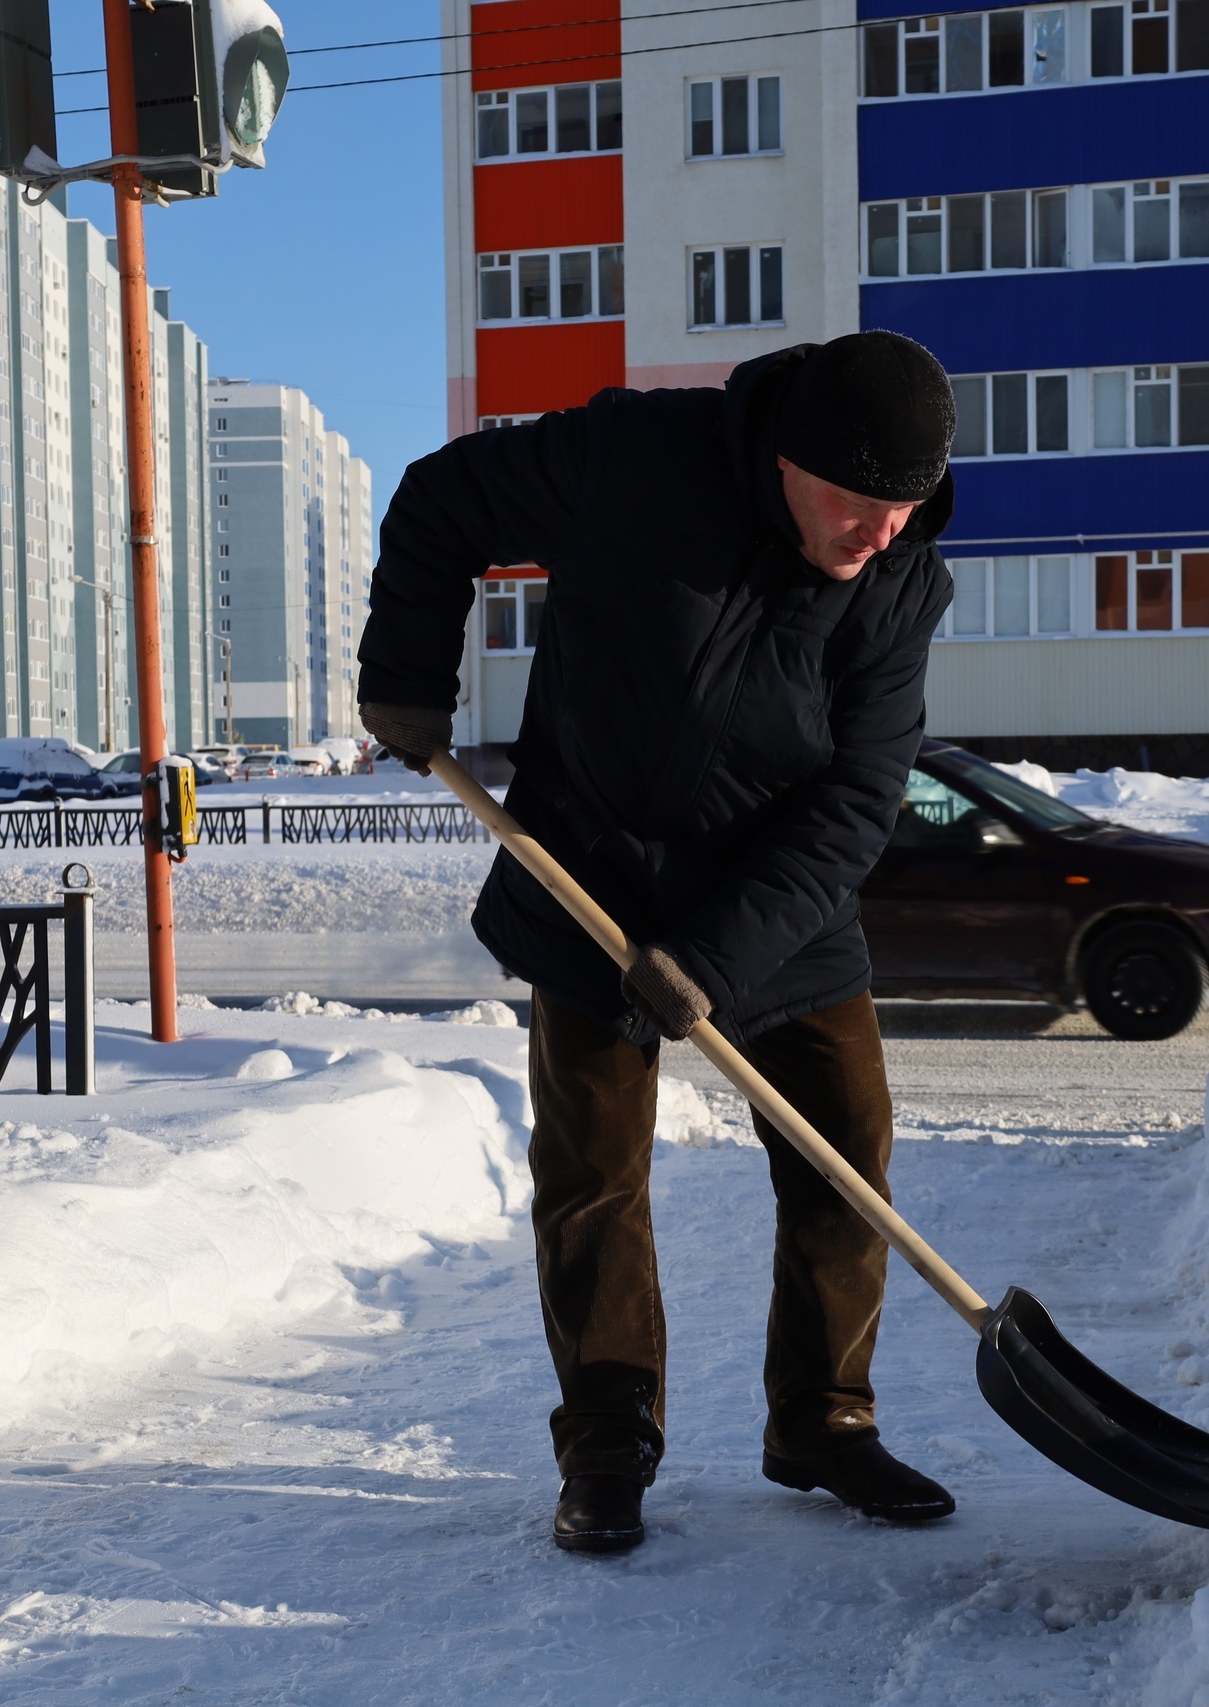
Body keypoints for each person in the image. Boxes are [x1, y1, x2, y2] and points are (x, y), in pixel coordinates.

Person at [355, 332, 958, 1554]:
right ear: (788, 460)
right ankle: (609, 1440)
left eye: (905, 507)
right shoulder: (628, 461)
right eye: (861, 503)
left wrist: (716, 958)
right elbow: (439, 500)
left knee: (844, 1160)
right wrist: (408, 674)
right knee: (592, 1180)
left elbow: (854, 803)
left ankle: (824, 1423)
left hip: (778, 910)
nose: (882, 533)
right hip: (591, 875)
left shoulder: (899, 581)